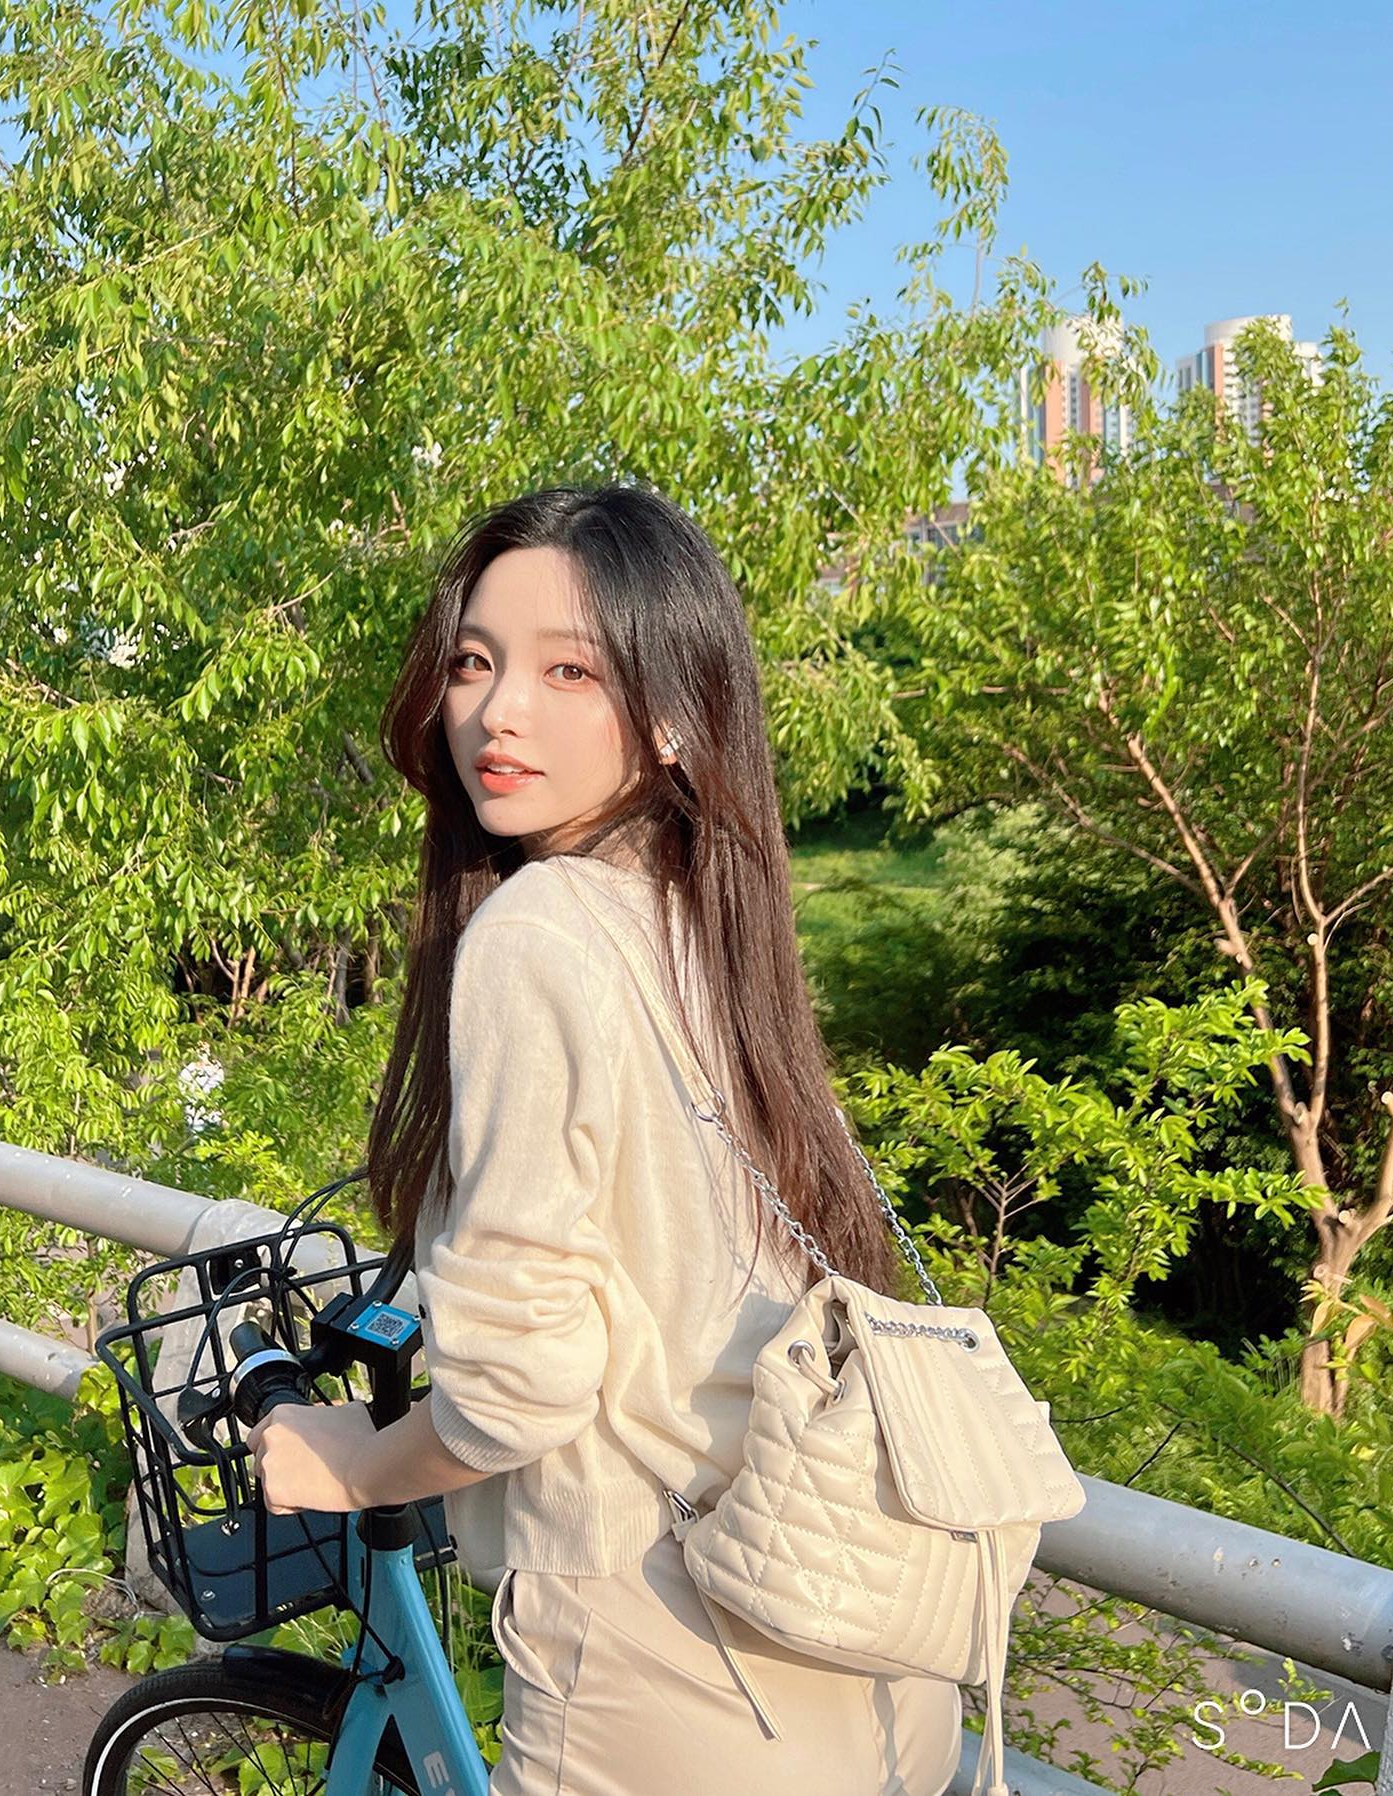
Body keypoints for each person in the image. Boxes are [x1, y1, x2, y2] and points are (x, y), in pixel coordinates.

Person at [245, 483, 964, 1795]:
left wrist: (353, 1463)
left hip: (664, 1669)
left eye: (568, 670)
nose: (497, 711)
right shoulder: (707, 924)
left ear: (675, 712)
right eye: (475, 662)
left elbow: (518, 1391)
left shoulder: (536, 933)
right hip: (863, 1668)